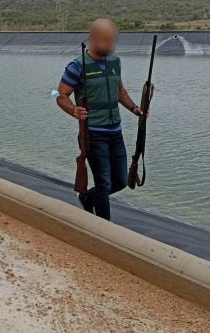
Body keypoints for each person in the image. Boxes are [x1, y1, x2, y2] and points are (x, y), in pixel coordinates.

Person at [56, 18, 148, 221]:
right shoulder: (77, 66)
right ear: (93, 38)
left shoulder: (115, 62)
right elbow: (60, 95)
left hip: (115, 131)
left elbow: (119, 90)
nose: (109, 45)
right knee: (104, 183)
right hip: (93, 133)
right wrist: (74, 110)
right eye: (105, 40)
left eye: (112, 40)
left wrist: (134, 108)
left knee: (121, 181)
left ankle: (87, 198)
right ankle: (105, 228)